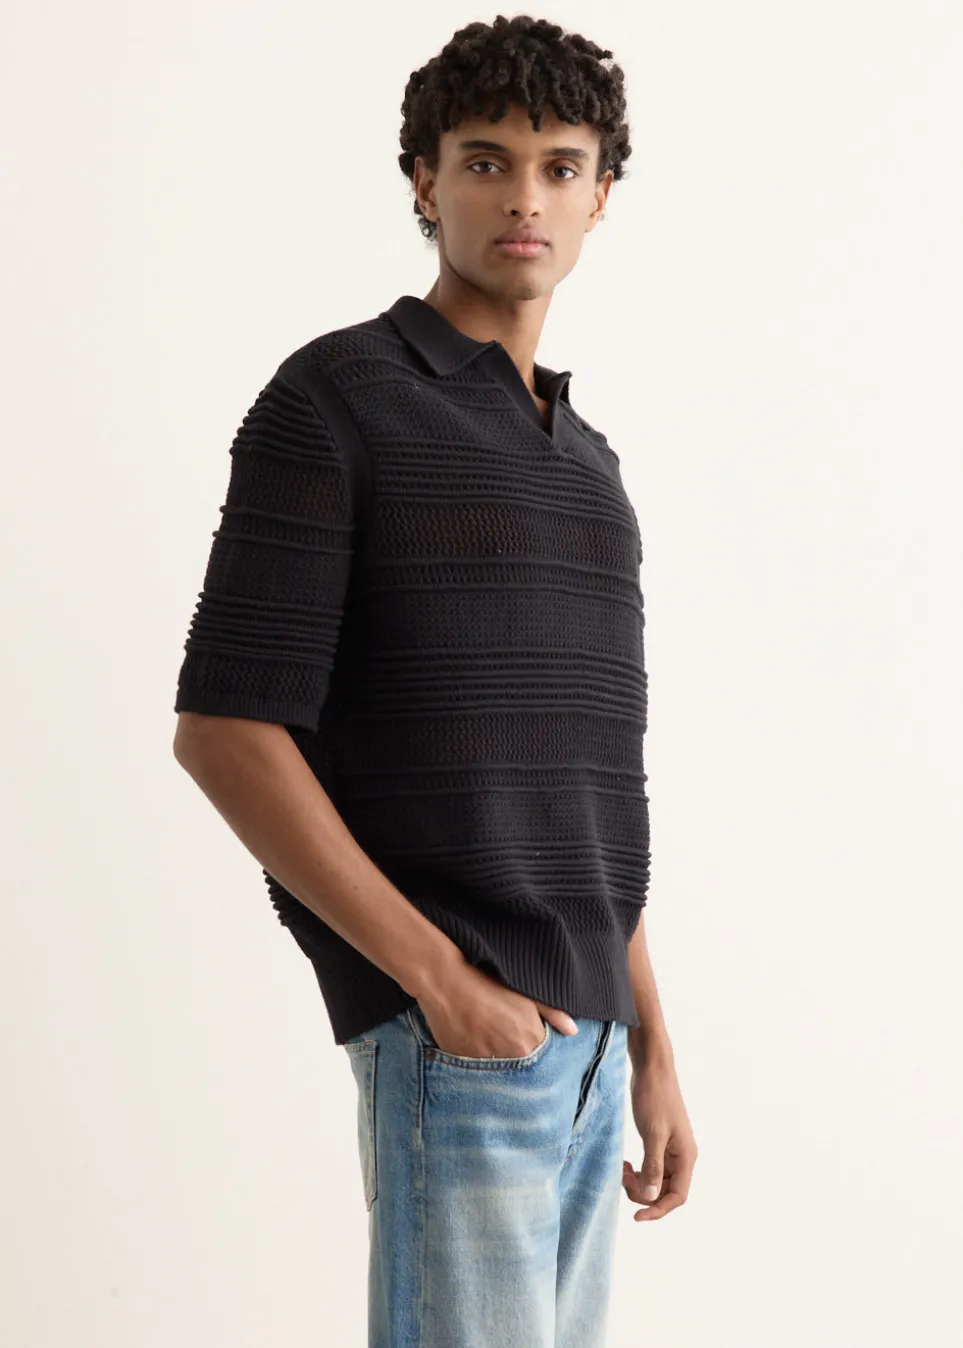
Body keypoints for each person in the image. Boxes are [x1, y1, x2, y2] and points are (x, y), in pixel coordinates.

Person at [172, 14, 697, 1347]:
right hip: (461, 1037)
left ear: (600, 195)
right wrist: (436, 985)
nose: (525, 198)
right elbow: (227, 730)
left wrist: (651, 1044)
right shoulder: (335, 400)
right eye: (485, 162)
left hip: (589, 1049)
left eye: (560, 167)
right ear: (424, 178)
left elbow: (590, 797)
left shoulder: (590, 464)